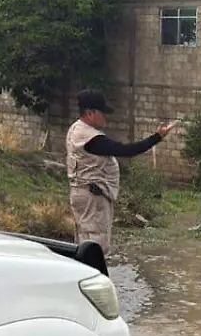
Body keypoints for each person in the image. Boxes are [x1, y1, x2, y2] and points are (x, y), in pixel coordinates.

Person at [66, 89, 176, 255]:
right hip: (92, 198)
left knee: (84, 244)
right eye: (103, 113)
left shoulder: (75, 129)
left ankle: (84, 276)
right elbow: (127, 150)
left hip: (83, 194)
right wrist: (157, 137)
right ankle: (95, 279)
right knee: (96, 247)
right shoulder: (90, 137)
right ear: (90, 113)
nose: (105, 117)